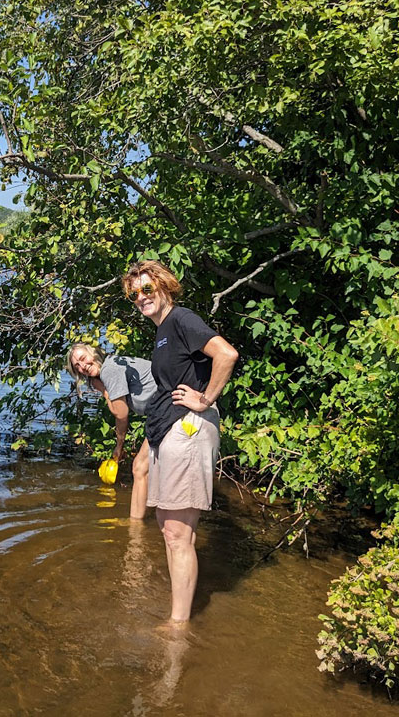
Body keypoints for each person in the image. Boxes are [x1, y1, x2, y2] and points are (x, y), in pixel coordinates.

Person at [122, 260, 239, 623]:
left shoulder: (182, 319)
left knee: (177, 533)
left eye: (146, 289)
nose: (141, 297)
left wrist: (205, 399)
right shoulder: (161, 332)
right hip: (170, 428)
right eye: (134, 293)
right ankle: (177, 615)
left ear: (165, 286)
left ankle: (177, 627)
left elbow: (227, 354)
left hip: (189, 428)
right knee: (168, 527)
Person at [66, 343, 155, 520]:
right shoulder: (110, 367)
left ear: (93, 354)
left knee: (139, 468)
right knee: (145, 468)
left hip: (169, 408)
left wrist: (119, 446)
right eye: (77, 366)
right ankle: (144, 522)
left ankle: (136, 526)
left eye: (83, 359)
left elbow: (121, 413)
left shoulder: (110, 369)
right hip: (162, 411)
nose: (82, 367)